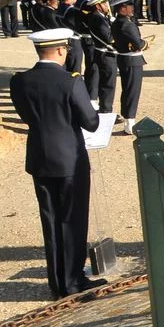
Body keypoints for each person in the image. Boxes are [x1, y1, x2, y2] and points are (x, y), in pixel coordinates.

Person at [10, 28, 107, 299]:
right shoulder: (70, 81)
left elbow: (25, 116)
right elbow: (91, 122)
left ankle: (57, 282)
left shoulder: (20, 81)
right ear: (62, 50)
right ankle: (73, 281)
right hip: (69, 158)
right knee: (72, 219)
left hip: (39, 156)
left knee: (50, 219)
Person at [111, 0, 147, 134]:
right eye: (129, 6)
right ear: (122, 8)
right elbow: (138, 44)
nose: (132, 9)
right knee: (132, 91)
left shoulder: (116, 23)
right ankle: (130, 122)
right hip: (132, 60)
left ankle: (128, 119)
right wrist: (145, 44)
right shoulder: (127, 24)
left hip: (124, 59)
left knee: (127, 90)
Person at [84, 0, 118, 115]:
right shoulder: (97, 18)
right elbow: (109, 38)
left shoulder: (101, 17)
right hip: (105, 54)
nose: (107, 6)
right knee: (108, 84)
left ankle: (105, 109)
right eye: (104, 3)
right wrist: (117, 28)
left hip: (104, 53)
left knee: (107, 82)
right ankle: (106, 111)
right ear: (98, 6)